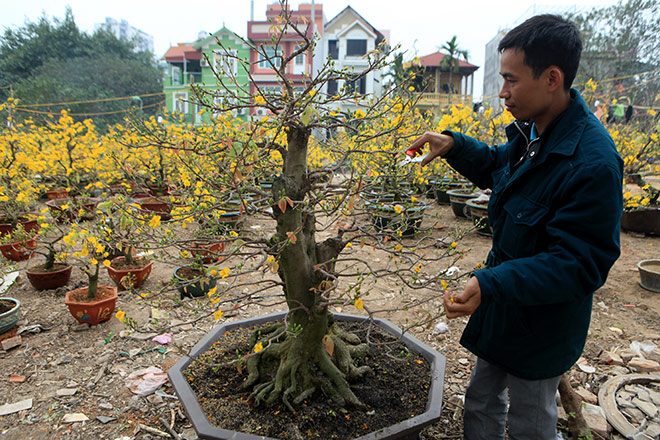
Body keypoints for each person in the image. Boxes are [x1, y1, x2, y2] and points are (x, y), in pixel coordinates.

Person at [408, 14, 622, 440]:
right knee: (482, 400)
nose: (502, 92)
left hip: (543, 321)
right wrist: (454, 145)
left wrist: (492, 284)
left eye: (511, 80)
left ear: (552, 78)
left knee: (531, 418)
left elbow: (579, 264)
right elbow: (500, 167)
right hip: (505, 303)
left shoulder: (592, 163)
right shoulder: (534, 132)